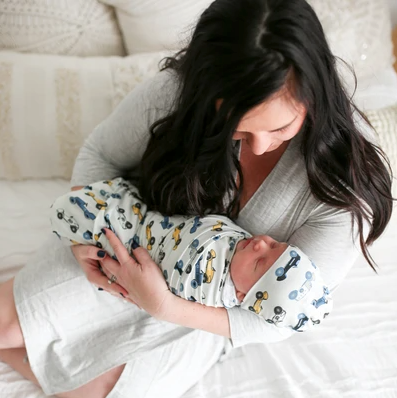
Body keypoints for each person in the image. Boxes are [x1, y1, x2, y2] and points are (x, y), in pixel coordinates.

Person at [0, 0, 393, 397]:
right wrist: (87, 238)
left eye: (281, 127)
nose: (258, 148)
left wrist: (164, 306)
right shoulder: (182, 94)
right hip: (130, 239)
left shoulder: (346, 186)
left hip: (203, 314)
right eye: (238, 130)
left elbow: (279, 320)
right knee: (8, 326)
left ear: (316, 94)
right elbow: (100, 155)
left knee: (94, 391)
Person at [50, 177, 333, 330]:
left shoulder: (209, 290)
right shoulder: (241, 249)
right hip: (147, 214)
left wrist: (158, 300)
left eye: (260, 262)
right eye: (275, 244)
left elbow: (164, 284)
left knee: (73, 213)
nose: (260, 244)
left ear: (241, 297)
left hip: (133, 245)